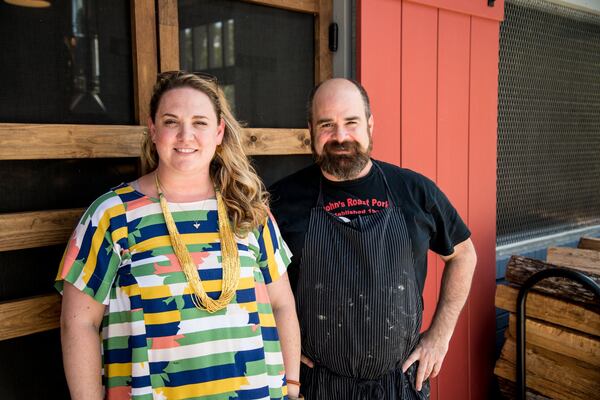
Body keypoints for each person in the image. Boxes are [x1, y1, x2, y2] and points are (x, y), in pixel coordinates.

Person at [56, 71, 302, 400]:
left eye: (200, 122)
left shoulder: (249, 212)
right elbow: (78, 324)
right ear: (153, 130)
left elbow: (281, 305)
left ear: (218, 132)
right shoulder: (112, 215)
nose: (186, 135)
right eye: (171, 121)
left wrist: (294, 389)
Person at [269, 78, 477, 399]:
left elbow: (463, 254)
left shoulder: (413, 191)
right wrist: (279, 345)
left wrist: (439, 335)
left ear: (370, 124)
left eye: (351, 122)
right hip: (318, 387)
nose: (340, 136)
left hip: (399, 386)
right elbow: (252, 282)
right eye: (327, 125)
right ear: (310, 130)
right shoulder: (281, 201)